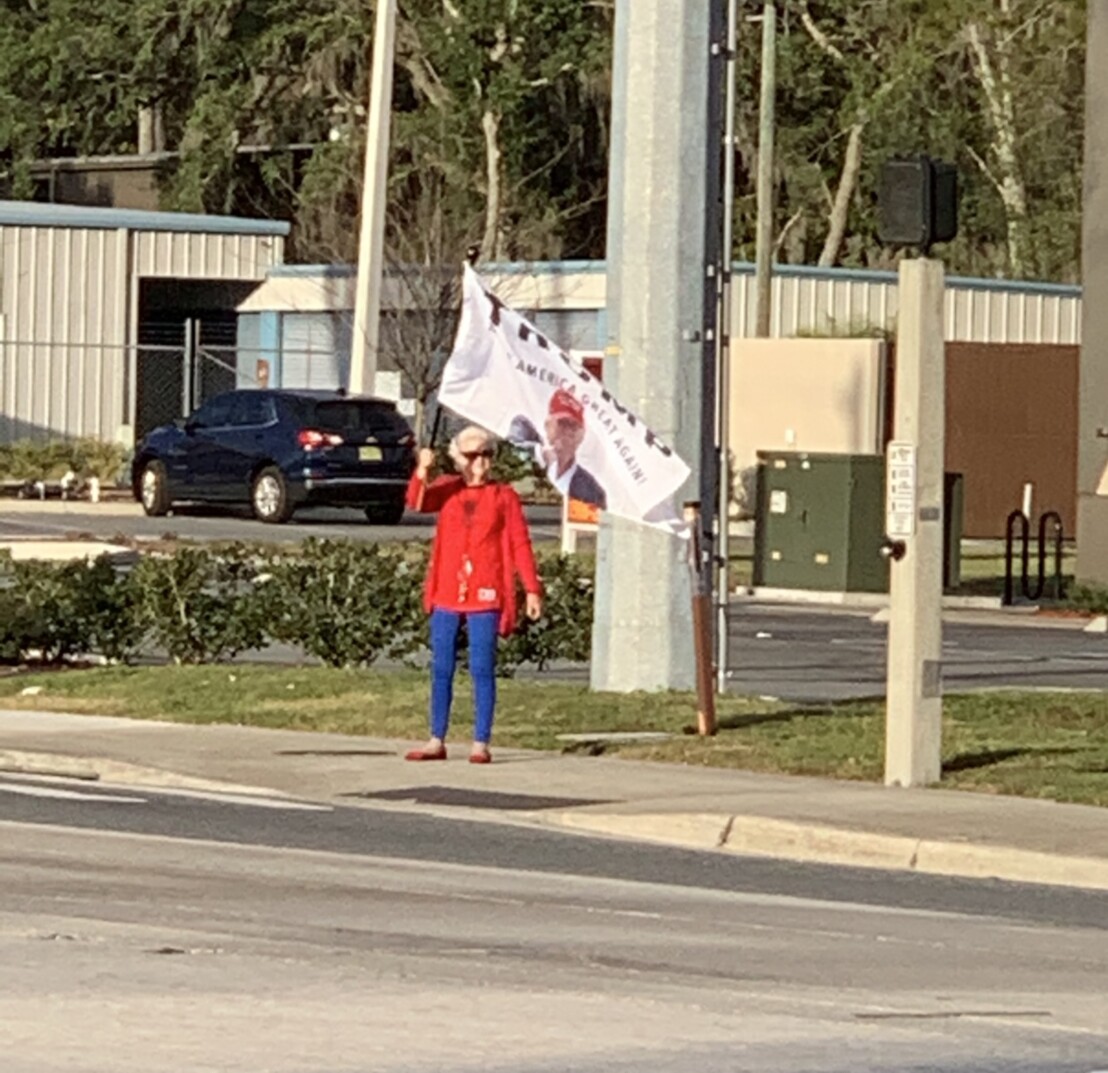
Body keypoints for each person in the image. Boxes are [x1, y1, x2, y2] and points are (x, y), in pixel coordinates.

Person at [403, 425, 543, 764]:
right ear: (457, 459)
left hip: (486, 590)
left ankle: (481, 741)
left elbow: (519, 543)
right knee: (442, 666)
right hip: (447, 591)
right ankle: (437, 738)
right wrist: (422, 468)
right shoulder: (448, 489)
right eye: (472, 454)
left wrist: (532, 589)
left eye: (486, 453)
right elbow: (418, 501)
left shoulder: (503, 496)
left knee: (482, 666)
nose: (480, 461)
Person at [507, 388, 607, 510]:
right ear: (547, 426)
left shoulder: (593, 492)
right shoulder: (521, 456)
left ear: (581, 436)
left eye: (573, 426)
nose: (567, 432)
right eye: (562, 423)